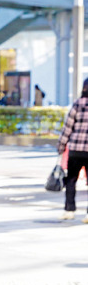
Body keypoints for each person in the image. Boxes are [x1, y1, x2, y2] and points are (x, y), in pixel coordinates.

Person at [58, 77, 88, 222]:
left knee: (71, 180)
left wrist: (61, 145)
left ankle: (69, 210)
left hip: (76, 149)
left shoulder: (77, 104)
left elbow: (67, 128)